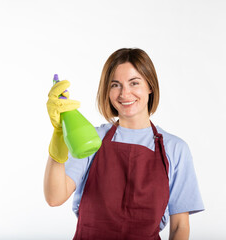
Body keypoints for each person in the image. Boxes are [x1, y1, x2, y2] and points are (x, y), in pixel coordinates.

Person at [44, 48, 204, 240]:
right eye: (115, 85)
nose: (124, 93)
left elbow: (179, 227)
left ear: (150, 86)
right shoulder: (91, 138)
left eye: (134, 83)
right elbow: (54, 198)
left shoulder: (175, 149)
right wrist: (59, 141)